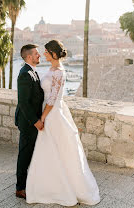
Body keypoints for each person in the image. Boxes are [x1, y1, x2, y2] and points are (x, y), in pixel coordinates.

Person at [26, 40, 100, 206]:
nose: (43, 54)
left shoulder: (59, 72)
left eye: (45, 51)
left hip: (53, 114)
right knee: (50, 150)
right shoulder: (51, 69)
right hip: (51, 111)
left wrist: (43, 117)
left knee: (56, 149)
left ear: (53, 53)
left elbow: (52, 99)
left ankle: (63, 189)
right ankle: (48, 186)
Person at [15, 44, 44, 199]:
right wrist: (35, 121)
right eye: (36, 54)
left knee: (31, 153)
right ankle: (20, 188)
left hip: (33, 121)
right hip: (28, 123)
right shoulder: (25, 74)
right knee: (24, 154)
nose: (39, 56)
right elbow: (23, 103)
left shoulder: (32, 71)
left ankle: (29, 183)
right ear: (28, 56)